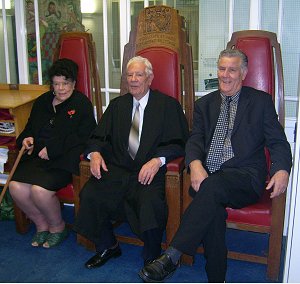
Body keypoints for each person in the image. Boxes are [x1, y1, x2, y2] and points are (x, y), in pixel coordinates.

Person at [139, 48, 293, 282]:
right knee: (212, 207)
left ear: (244, 73)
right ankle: (216, 277)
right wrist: (196, 164)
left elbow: (278, 141)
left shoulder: (260, 102)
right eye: (222, 69)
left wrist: (281, 169)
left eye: (232, 70)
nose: (225, 75)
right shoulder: (205, 104)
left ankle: (172, 255)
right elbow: (195, 139)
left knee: (212, 189)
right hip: (209, 177)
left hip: (244, 177)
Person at [73, 56, 189, 270]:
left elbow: (180, 141)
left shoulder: (167, 106)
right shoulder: (118, 105)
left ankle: (152, 256)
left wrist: (158, 160)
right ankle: (108, 245)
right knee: (91, 193)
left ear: (150, 78)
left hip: (148, 172)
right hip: (118, 168)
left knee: (150, 202)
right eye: (129, 75)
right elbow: (97, 137)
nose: (134, 80)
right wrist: (95, 153)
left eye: (139, 74)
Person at [9, 58, 96, 248]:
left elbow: (85, 137)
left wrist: (53, 149)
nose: (61, 88)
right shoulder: (42, 101)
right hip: (38, 157)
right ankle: (41, 225)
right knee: (15, 187)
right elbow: (30, 128)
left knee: (39, 191)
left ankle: (58, 227)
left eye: (65, 83)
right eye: (56, 84)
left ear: (73, 83)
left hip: (64, 160)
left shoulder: (81, 104)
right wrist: (26, 139)